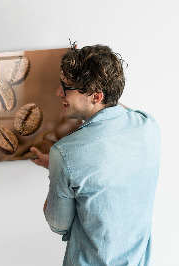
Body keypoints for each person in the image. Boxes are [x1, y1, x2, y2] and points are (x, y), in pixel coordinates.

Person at [30, 44, 161, 265]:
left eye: (66, 87)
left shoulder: (65, 154)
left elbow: (58, 225)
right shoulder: (148, 125)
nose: (58, 92)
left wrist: (57, 169)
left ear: (96, 96)